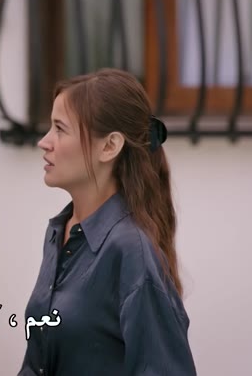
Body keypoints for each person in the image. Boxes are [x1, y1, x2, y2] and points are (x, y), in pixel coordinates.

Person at [19, 69, 197, 375]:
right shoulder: (59, 232)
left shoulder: (131, 249)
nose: (44, 142)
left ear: (109, 146)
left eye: (60, 129)